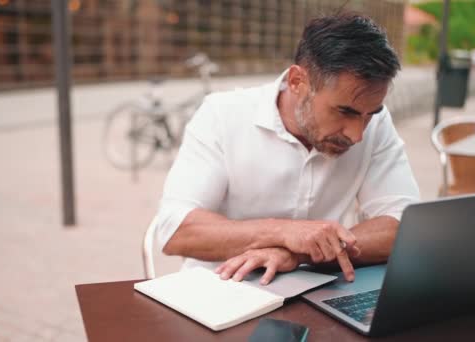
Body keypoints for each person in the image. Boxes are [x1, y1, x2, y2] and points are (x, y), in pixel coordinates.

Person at [154, 13, 420, 285]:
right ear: (297, 82)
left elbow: (406, 227)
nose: (357, 134)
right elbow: (175, 230)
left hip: (317, 288)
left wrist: (298, 253)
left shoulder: (375, 122)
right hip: (220, 288)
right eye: (344, 111)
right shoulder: (222, 115)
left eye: (369, 115)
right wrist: (283, 232)